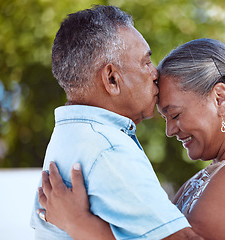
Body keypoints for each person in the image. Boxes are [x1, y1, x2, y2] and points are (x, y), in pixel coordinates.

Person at [38, 38, 225, 239]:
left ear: (220, 99)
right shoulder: (201, 182)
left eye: (175, 114)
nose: (170, 131)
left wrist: (80, 224)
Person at [30, 5, 202, 240]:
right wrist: (79, 224)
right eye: (145, 62)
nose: (155, 73)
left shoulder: (70, 138)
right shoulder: (108, 149)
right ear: (112, 79)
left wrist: (81, 225)